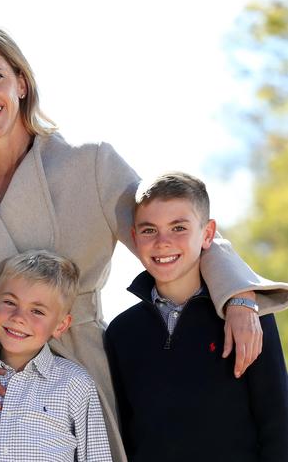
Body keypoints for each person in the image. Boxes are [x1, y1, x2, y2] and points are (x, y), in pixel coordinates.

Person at [0, 23, 288, 462]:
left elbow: (173, 228)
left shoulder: (89, 163)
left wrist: (239, 297)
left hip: (81, 369)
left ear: (21, 82)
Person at [105, 172, 288, 461]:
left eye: (178, 228)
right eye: (149, 230)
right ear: (134, 237)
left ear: (207, 234)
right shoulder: (121, 332)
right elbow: (127, 432)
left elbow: (279, 421)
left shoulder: (247, 317)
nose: (163, 242)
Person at [0, 250, 113, 462]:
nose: (19, 318)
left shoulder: (75, 383)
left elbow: (97, 456)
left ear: (61, 325)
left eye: (37, 311)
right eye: (10, 303)